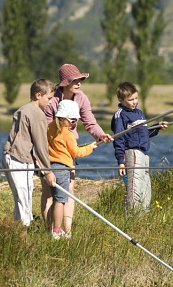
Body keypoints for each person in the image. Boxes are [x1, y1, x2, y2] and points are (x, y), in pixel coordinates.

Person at [41, 63, 113, 235]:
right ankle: (48, 229)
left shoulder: (82, 98)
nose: (79, 83)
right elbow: (45, 128)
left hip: (70, 151)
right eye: (75, 80)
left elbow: (90, 122)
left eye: (81, 79)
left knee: (69, 191)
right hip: (49, 153)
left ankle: (67, 231)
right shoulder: (52, 99)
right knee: (49, 193)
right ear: (64, 83)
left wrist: (101, 135)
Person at [1, 79, 56, 229]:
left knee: (20, 198)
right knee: (24, 200)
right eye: (49, 98)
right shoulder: (38, 114)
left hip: (9, 156)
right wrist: (48, 171)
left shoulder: (23, 109)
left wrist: (36, 163)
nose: (51, 102)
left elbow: (23, 138)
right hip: (19, 160)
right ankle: (21, 237)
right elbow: (41, 145)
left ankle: (15, 232)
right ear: (38, 95)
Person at [111, 82, 168, 213]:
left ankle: (143, 217)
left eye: (136, 98)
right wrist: (120, 162)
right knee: (134, 188)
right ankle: (132, 216)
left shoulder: (139, 113)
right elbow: (119, 139)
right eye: (130, 100)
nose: (134, 102)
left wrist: (157, 126)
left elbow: (144, 134)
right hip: (132, 153)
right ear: (120, 100)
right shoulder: (120, 115)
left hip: (144, 153)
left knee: (145, 188)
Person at [47, 100, 98, 239]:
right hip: (63, 170)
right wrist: (90, 148)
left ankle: (49, 228)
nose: (74, 124)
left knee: (54, 199)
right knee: (60, 201)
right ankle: (57, 230)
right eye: (74, 120)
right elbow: (76, 153)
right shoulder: (67, 134)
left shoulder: (50, 129)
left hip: (50, 169)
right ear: (66, 119)